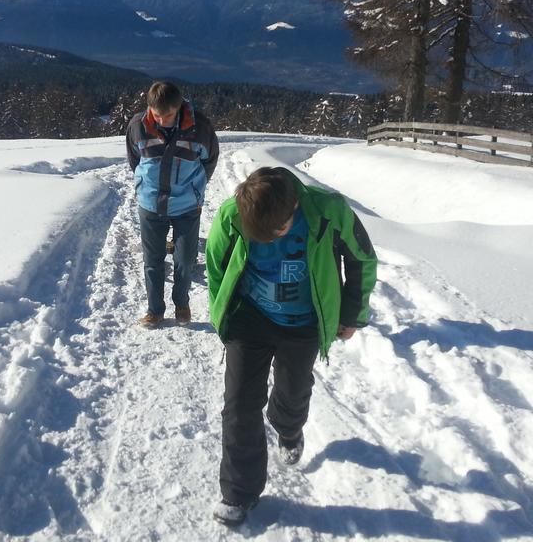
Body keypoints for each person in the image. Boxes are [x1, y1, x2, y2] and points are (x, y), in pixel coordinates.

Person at [205, 166, 377, 527]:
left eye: (276, 233)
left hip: (303, 324)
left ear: (294, 206)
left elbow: (361, 258)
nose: (267, 241)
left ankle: (288, 427)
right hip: (249, 319)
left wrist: (350, 314)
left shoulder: (328, 210)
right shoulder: (232, 214)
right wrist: (223, 313)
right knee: (238, 404)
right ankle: (238, 492)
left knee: (292, 392)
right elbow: (216, 264)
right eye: (259, 236)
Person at [126, 81, 219, 327]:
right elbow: (135, 160)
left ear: (179, 107)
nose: (162, 121)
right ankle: (155, 310)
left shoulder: (201, 128)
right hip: (150, 204)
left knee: (186, 258)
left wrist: (196, 189)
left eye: (168, 115)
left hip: (187, 205)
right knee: (152, 259)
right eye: (157, 115)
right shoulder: (138, 126)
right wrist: (144, 186)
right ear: (150, 108)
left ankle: (182, 303)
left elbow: (209, 162)